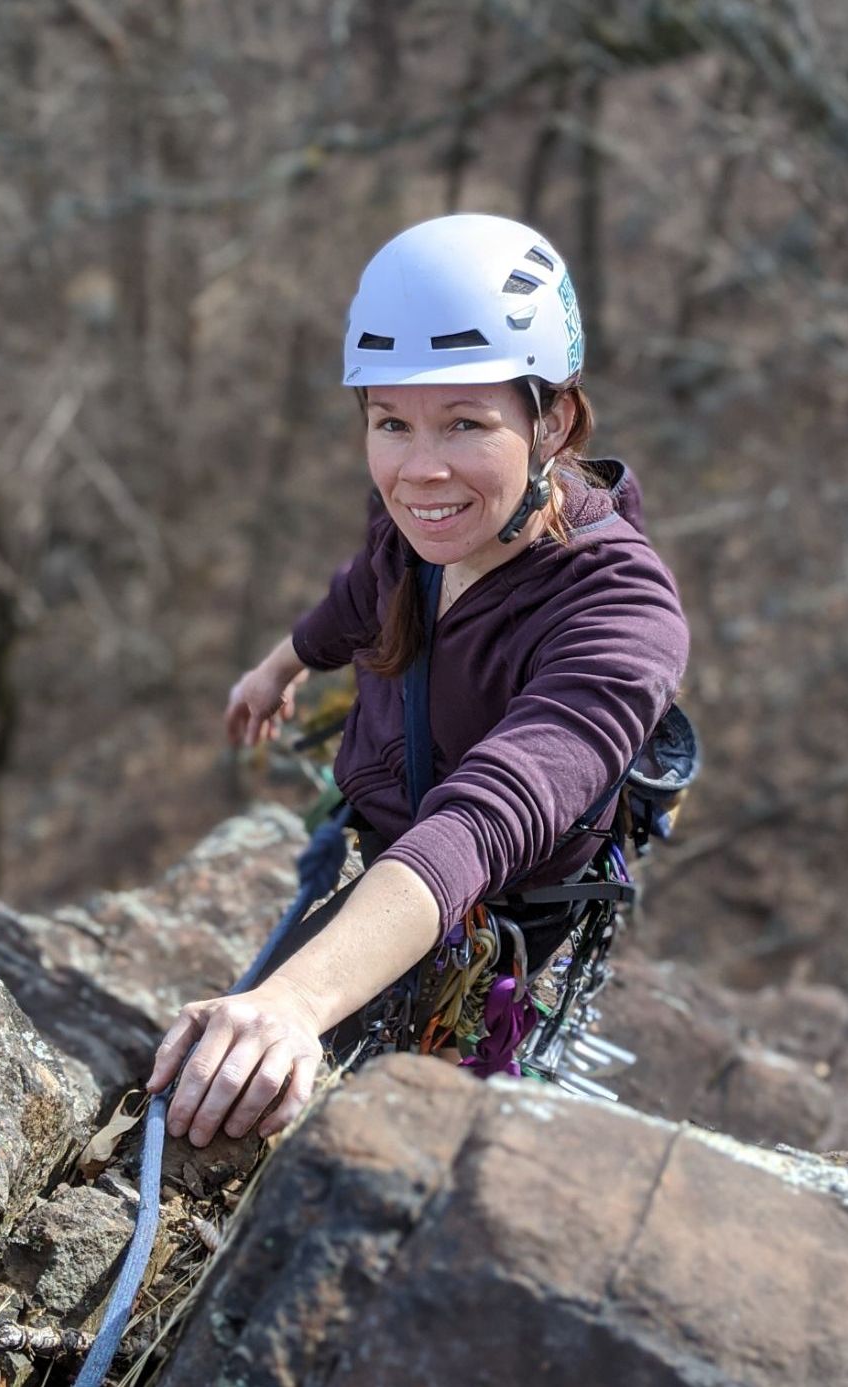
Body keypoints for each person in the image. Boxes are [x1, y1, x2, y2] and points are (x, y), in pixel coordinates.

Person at [146, 213, 689, 1146]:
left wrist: (293, 1001)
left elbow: (483, 819)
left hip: (493, 928)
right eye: (390, 422)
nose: (419, 470)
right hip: (392, 862)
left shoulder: (622, 616)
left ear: (552, 421)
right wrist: (279, 666)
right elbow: (364, 591)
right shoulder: (424, 526)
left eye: (466, 422)